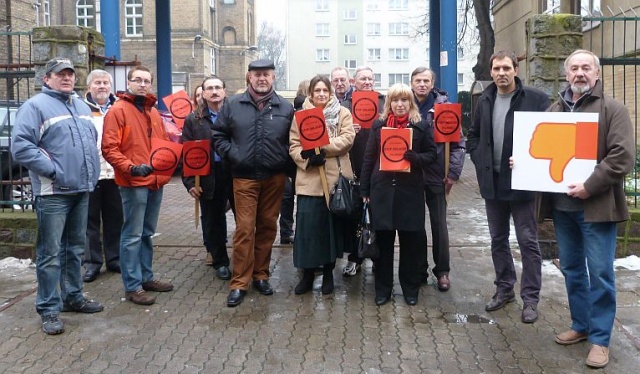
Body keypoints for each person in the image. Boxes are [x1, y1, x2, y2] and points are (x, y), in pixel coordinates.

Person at [540, 49, 634, 368]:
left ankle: (600, 340)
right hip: (563, 208)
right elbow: (540, 150)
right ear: (566, 75)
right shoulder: (553, 110)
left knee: (601, 273)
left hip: (597, 207)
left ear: (597, 74)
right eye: (574, 68)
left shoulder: (613, 110)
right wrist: (523, 160)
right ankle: (581, 325)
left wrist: (589, 185)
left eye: (586, 68)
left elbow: (622, 157)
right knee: (572, 270)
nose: (580, 73)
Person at [11, 57, 103, 335]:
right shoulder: (35, 106)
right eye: (60, 74)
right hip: (53, 193)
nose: (66, 78)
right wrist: (53, 170)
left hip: (81, 189)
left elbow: (90, 143)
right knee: (50, 253)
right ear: (46, 79)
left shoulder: (80, 105)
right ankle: (49, 308)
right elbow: (21, 147)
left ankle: (72, 297)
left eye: (70, 74)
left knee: (75, 249)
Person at [467, 50, 550, 323]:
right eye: (496, 68)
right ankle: (504, 289)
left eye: (506, 68)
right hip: (493, 183)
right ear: (490, 72)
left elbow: (549, 136)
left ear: (515, 69)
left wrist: (529, 161)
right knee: (498, 239)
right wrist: (480, 161)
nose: (501, 73)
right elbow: (474, 136)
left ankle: (530, 300)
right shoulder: (485, 99)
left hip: (522, 183)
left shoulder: (536, 99)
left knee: (527, 241)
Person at [212, 59, 294, 307]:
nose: (261, 79)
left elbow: (293, 140)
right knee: (245, 229)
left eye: (266, 75)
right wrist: (234, 154)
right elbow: (218, 135)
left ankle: (261, 275)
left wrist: (285, 162)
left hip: (274, 177)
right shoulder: (233, 104)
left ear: (273, 77)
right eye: (257, 75)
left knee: (268, 226)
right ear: (249, 77)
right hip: (244, 177)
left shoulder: (285, 107)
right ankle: (239, 282)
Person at [102, 65, 174, 306]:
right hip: (133, 181)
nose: (143, 84)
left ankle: (146, 277)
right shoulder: (118, 110)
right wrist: (130, 167)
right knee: (132, 235)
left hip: (154, 181)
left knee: (146, 233)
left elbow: (162, 144)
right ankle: (132, 286)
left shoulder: (152, 111)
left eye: (147, 81)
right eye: (138, 80)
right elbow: (109, 148)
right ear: (129, 83)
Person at [360, 83, 436, 306]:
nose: (399, 105)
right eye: (395, 100)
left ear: (410, 102)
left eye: (404, 100)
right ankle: (383, 290)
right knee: (383, 243)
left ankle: (410, 289)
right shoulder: (378, 126)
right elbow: (368, 158)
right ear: (389, 103)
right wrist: (364, 189)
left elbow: (432, 155)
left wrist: (416, 158)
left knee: (410, 243)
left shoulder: (420, 126)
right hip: (382, 190)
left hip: (409, 193)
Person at [289, 75, 355, 295]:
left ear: (331, 92)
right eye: (317, 90)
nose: (321, 94)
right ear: (310, 93)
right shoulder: (300, 117)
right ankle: (307, 275)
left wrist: (321, 148)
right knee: (307, 230)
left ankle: (328, 274)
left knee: (330, 231)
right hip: (309, 181)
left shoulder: (343, 113)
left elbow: (347, 138)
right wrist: (307, 157)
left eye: (325, 91)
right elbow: (294, 146)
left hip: (334, 180)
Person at [410, 67, 466, 291]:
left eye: (426, 80)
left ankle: (442, 271)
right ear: (411, 83)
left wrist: (452, 173)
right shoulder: (405, 104)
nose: (422, 84)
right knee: (415, 226)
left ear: (432, 84)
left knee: (439, 225)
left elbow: (458, 143)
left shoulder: (444, 109)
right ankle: (419, 268)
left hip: (437, 175)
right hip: (411, 174)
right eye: (418, 80)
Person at [182, 75, 232, 281]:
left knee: (245, 218)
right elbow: (186, 152)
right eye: (209, 88)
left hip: (235, 171)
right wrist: (189, 183)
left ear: (224, 91)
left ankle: (249, 259)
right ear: (202, 93)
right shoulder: (193, 119)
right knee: (213, 219)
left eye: (218, 87)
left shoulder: (234, 114)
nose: (214, 91)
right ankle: (220, 261)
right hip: (208, 174)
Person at [340, 66, 386, 277]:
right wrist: (350, 130)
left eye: (370, 78)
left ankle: (378, 258)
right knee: (354, 217)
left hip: (379, 169)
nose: (367, 82)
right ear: (354, 82)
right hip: (354, 167)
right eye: (362, 79)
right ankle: (355, 258)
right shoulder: (346, 107)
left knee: (379, 217)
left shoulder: (383, 103)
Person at [82, 69, 123, 283]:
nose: (102, 86)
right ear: (89, 87)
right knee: (90, 222)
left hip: (115, 173)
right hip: (91, 174)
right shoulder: (81, 109)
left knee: (115, 219)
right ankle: (92, 263)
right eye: (97, 82)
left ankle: (114, 259)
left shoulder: (118, 108)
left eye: (105, 82)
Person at [279, 79, 310, 245]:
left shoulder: (290, 110)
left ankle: (286, 231)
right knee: (305, 198)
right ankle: (301, 231)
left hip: (288, 160)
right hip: (305, 159)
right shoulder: (308, 111)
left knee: (287, 199)